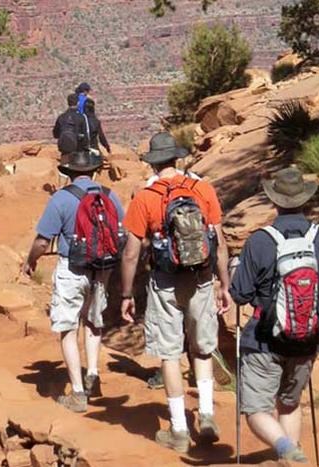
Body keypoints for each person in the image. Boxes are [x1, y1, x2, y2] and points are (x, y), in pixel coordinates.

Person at [120, 132, 231, 453]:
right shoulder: (202, 189)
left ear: (154, 163)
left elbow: (131, 252)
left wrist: (127, 294)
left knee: (170, 353)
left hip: (165, 281)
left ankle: (179, 430)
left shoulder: (145, 197)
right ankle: (207, 415)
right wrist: (224, 285)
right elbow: (220, 243)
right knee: (202, 347)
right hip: (200, 278)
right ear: (177, 159)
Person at [230, 167, 319, 463]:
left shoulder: (259, 241)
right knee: (289, 404)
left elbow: (239, 294)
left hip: (264, 339)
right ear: (304, 199)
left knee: (255, 409)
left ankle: (287, 451)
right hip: (306, 339)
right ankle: (292, 457)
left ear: (274, 200)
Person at [23, 150, 124, 413]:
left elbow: (44, 240)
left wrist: (30, 260)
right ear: (93, 171)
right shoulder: (109, 195)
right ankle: (92, 372)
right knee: (93, 321)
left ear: (68, 173)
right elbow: (122, 232)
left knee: (68, 327)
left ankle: (78, 392)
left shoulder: (61, 198)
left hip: (72, 268)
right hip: (102, 268)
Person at [53, 94, 88, 187]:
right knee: (77, 170)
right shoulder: (81, 117)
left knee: (64, 168)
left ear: (67, 103)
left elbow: (55, 134)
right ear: (78, 102)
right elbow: (86, 134)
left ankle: (61, 189)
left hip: (65, 147)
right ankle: (77, 189)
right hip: (77, 148)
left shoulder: (61, 117)